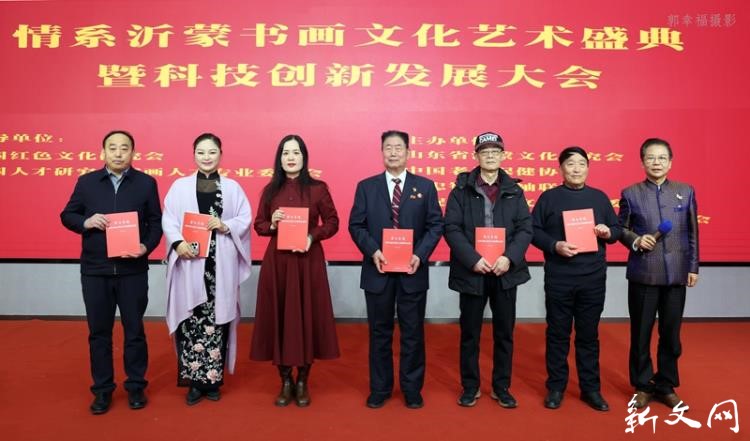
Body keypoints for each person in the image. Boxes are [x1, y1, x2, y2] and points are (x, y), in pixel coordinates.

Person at [60, 130, 162, 414]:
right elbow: (67, 215)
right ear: (102, 152)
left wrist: (145, 246)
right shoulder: (87, 182)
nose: (118, 153)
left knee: (134, 331)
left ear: (133, 153)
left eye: (124, 148)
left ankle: (136, 386)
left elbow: (156, 222)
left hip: (132, 271)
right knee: (99, 333)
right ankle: (103, 390)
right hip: (96, 270)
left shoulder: (146, 183)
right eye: (113, 148)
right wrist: (86, 221)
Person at [348, 130, 443, 409]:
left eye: (398, 147)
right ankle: (380, 388)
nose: (393, 152)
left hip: (412, 271)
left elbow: (435, 225)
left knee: (413, 333)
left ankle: (412, 389)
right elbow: (356, 225)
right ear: (382, 152)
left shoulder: (425, 186)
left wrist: (419, 255)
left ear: (408, 152)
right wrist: (373, 251)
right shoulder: (366, 187)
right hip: (378, 270)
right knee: (379, 332)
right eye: (388, 147)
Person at [444, 132, 532, 408]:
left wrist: (510, 257)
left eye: (495, 152)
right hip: (473, 271)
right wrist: (472, 259)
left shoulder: (515, 191)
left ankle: (501, 387)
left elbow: (525, 228)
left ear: (503, 156)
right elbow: (451, 228)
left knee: (504, 332)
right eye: (485, 152)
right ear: (476, 156)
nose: (490, 156)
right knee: (470, 333)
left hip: (505, 271)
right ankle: (470, 386)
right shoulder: (461, 190)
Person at [250, 134, 340, 407]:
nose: (291, 157)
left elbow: (333, 221)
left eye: (296, 152)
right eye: (286, 153)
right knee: (279, 317)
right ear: (279, 158)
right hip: (278, 263)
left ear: (304, 157)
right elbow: (259, 225)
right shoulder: (270, 190)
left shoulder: (318, 189)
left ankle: (303, 380)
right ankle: (285, 379)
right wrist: (272, 224)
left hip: (307, 262)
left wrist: (313, 236)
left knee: (307, 316)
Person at [162, 133, 251, 405]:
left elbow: (244, 218)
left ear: (220, 154)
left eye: (212, 152)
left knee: (217, 320)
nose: (206, 157)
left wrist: (226, 225)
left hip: (219, 263)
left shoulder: (232, 187)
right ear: (194, 155)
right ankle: (193, 382)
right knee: (191, 320)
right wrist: (177, 243)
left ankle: (212, 381)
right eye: (201, 152)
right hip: (190, 260)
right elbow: (169, 219)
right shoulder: (179, 186)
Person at [530, 146, 622, 412]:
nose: (576, 169)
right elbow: (533, 231)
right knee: (557, 334)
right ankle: (556, 387)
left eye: (582, 163)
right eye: (571, 164)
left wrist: (607, 232)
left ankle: (590, 389)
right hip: (559, 277)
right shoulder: (549, 198)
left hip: (593, 278)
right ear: (561, 168)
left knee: (588, 336)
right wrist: (555, 245)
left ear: (588, 168)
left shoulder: (599, 197)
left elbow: (616, 230)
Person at [618, 138, 699, 410]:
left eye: (662, 158)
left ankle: (666, 385)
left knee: (671, 335)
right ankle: (642, 385)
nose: (656, 162)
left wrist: (693, 267)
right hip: (643, 273)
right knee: (641, 334)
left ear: (670, 162)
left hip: (676, 274)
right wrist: (636, 240)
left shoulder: (685, 191)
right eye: (651, 158)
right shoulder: (631, 193)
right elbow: (621, 228)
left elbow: (692, 231)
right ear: (642, 162)